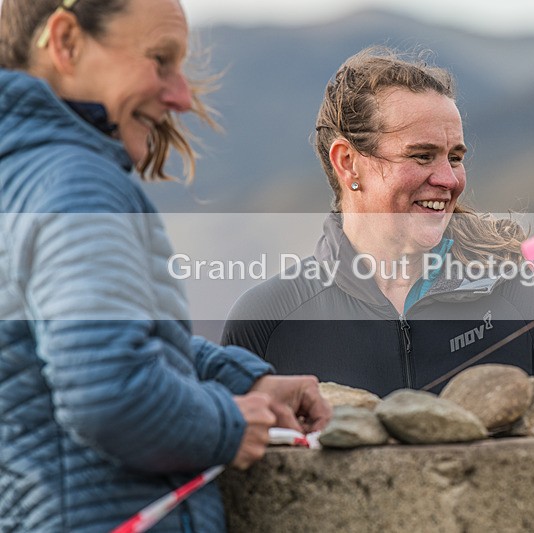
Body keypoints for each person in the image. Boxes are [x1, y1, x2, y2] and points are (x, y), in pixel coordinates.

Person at [0, 0, 330, 531]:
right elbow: (106, 390)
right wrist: (226, 424)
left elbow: (77, 338)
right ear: (65, 42)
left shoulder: (18, 174)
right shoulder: (77, 184)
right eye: (160, 60)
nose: (181, 95)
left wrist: (238, 381)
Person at [222, 48, 534, 414]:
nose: (448, 179)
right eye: (421, 156)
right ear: (348, 163)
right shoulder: (266, 320)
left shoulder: (520, 299)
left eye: (455, 157)